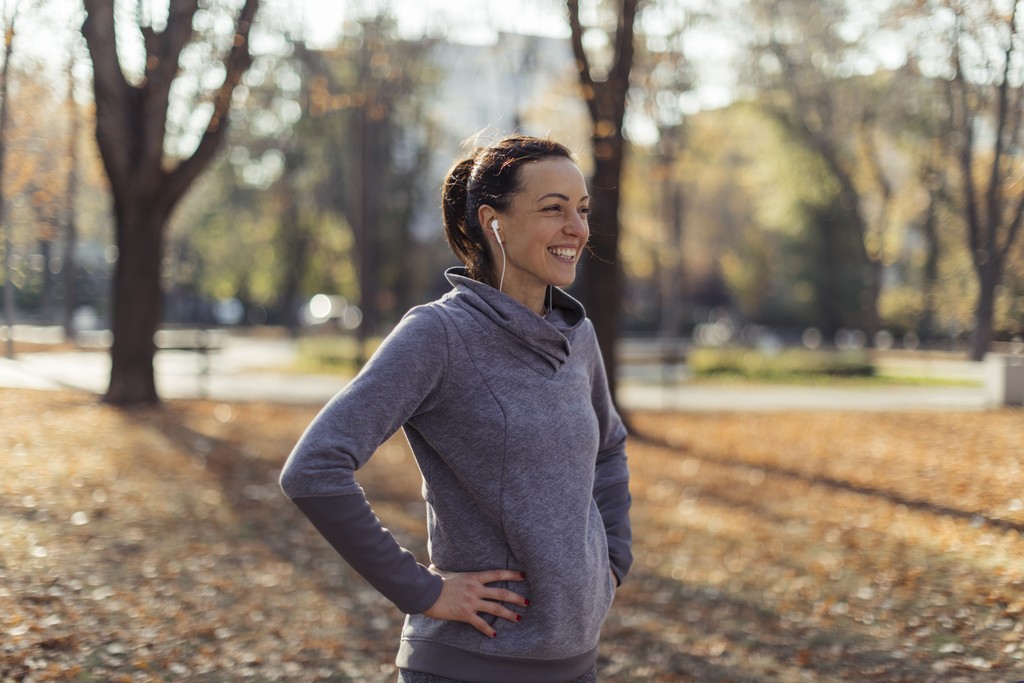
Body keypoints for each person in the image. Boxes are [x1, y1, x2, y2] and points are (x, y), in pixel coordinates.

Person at [279, 134, 632, 683]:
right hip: (469, 668)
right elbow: (314, 468)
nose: (578, 229)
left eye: (582, 211)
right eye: (553, 210)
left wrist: (611, 561)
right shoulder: (439, 334)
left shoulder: (576, 334)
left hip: (575, 665)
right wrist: (422, 590)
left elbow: (608, 446)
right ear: (495, 222)